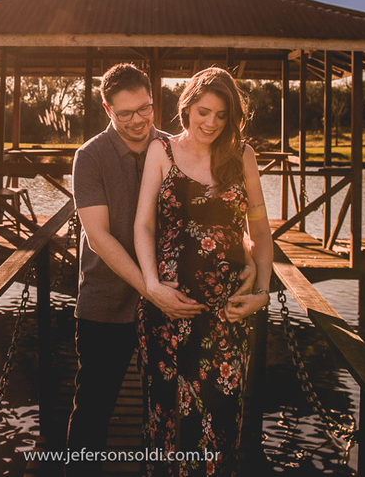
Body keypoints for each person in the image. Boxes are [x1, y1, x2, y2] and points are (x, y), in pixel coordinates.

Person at [66, 63, 251, 475]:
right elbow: (99, 238)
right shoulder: (89, 157)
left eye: (145, 109)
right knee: (94, 411)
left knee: (166, 410)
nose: (137, 120)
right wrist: (150, 289)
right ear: (106, 109)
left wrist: (251, 263)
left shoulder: (174, 148)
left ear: (156, 101)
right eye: (125, 112)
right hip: (108, 303)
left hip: (173, 311)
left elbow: (223, 217)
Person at [133, 67, 273, 475]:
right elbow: (143, 224)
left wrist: (261, 290)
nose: (211, 123)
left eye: (222, 115)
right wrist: (152, 284)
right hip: (167, 310)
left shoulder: (242, 155)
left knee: (220, 421)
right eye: (204, 112)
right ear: (187, 107)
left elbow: (259, 228)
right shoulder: (162, 151)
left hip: (226, 313)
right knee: (167, 421)